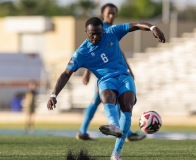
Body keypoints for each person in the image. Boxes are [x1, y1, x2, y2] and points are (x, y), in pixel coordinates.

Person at [47, 17, 165, 160]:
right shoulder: (81, 53)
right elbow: (66, 74)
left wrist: (152, 28)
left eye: (99, 33)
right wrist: (54, 95)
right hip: (106, 80)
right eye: (92, 34)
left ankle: (116, 153)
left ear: (103, 30)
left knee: (127, 106)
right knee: (107, 97)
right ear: (86, 32)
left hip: (123, 77)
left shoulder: (112, 32)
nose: (96, 37)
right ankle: (113, 126)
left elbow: (135, 25)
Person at [76, 3, 146, 141]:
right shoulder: (98, 28)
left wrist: (129, 69)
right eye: (109, 13)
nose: (111, 16)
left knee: (101, 101)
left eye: (114, 13)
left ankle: (83, 131)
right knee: (102, 101)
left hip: (115, 73)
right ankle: (125, 132)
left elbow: (118, 53)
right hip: (105, 76)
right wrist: (87, 72)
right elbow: (90, 53)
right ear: (103, 14)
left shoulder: (111, 29)